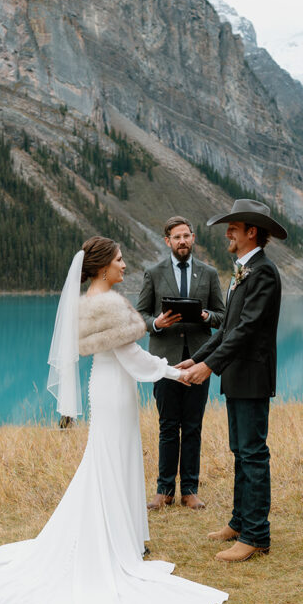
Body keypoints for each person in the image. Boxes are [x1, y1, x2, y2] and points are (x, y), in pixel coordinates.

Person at [0, 237, 228, 604]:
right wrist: (177, 372)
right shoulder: (109, 303)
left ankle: (121, 538)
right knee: (111, 459)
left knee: (109, 459)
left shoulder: (93, 300)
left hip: (108, 385)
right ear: (100, 267)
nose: (125, 265)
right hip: (114, 391)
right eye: (118, 260)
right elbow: (135, 358)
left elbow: (122, 355)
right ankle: (114, 545)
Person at [178, 199, 285, 563]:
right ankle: (239, 522)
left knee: (253, 454)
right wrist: (197, 357)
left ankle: (257, 536)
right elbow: (226, 328)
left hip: (252, 376)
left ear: (250, 231)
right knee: (240, 452)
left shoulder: (264, 273)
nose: (228, 233)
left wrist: (209, 368)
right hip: (238, 376)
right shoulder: (243, 271)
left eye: (233, 228)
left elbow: (247, 330)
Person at [136, 217, 225, 511]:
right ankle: (164, 491)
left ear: (193, 238)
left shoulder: (209, 274)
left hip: (199, 361)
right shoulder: (153, 273)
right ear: (167, 241)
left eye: (186, 236)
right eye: (176, 237)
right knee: (167, 425)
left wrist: (206, 317)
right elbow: (140, 317)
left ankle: (189, 490)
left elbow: (223, 317)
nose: (182, 241)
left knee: (193, 426)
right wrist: (158, 323)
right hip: (164, 363)